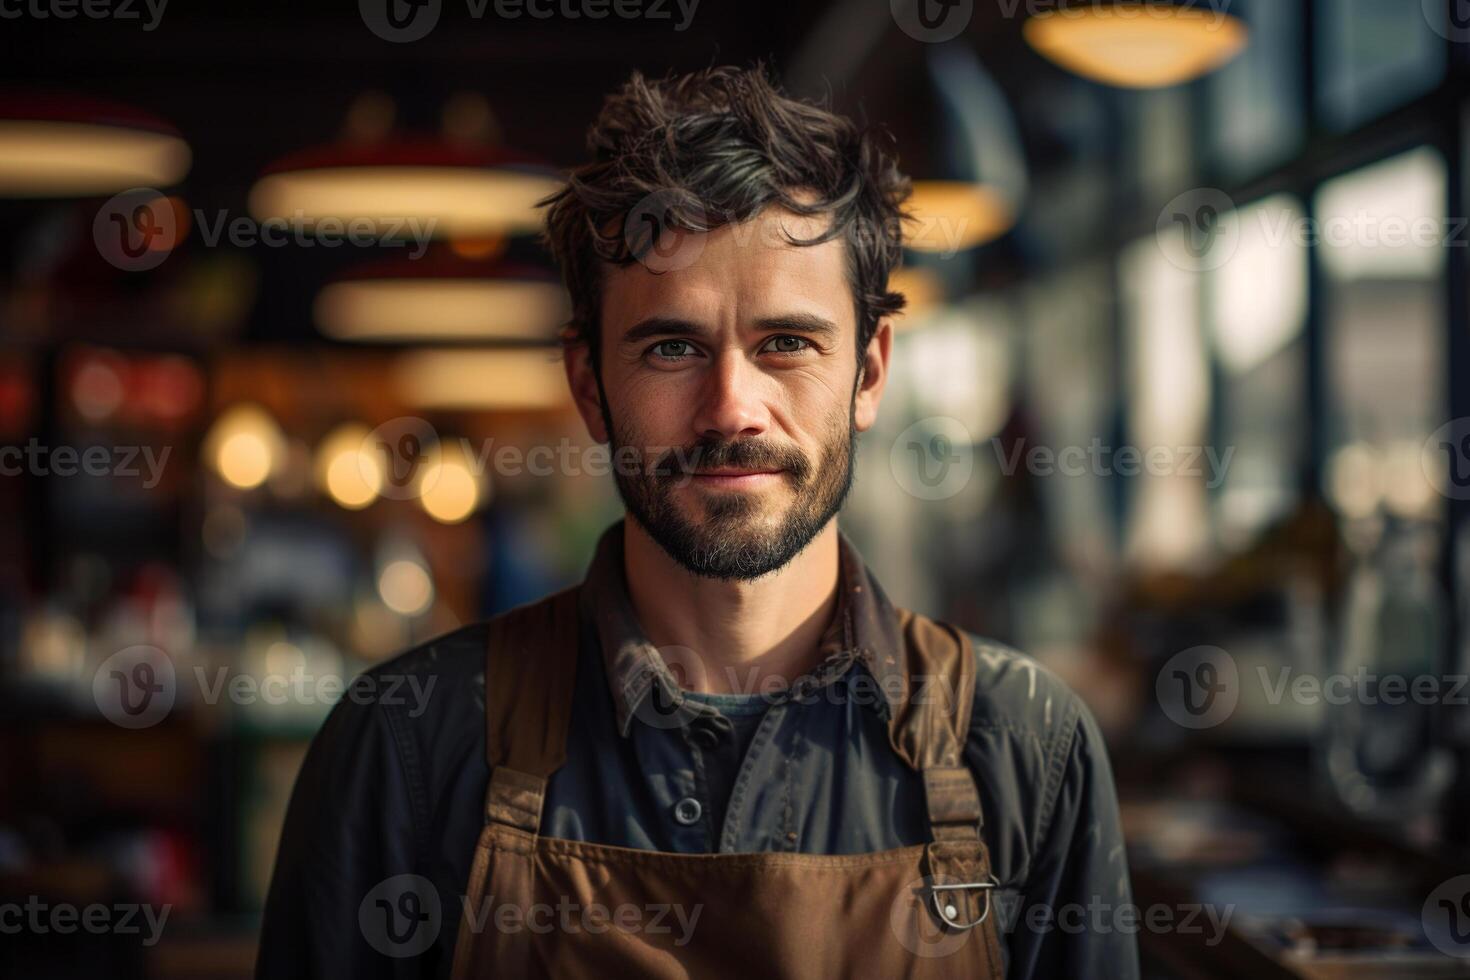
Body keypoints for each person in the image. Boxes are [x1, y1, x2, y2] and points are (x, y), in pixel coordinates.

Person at [257, 64, 1139, 980]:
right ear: (589, 384)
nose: (732, 408)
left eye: (786, 344)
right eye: (672, 347)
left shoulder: (1026, 747)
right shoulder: (407, 742)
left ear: (870, 372)